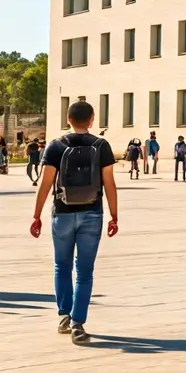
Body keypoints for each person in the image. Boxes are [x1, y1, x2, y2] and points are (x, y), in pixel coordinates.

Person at [30, 100, 118, 345]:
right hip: (92, 212)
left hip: (62, 212)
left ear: (68, 119)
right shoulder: (101, 145)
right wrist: (114, 215)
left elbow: (46, 184)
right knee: (85, 271)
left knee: (62, 265)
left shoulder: (56, 146)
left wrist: (36, 215)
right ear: (91, 120)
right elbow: (109, 183)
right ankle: (79, 323)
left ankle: (64, 317)